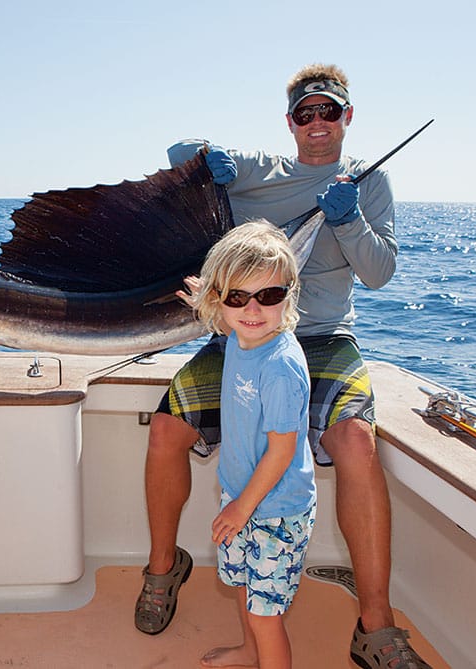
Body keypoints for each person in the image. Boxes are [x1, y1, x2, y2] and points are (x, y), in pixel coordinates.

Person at [135, 64, 432, 669]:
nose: (317, 123)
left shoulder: (370, 184)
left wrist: (348, 220)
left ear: (347, 117)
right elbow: (179, 151)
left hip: (324, 337)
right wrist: (202, 160)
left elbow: (379, 274)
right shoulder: (260, 169)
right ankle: (163, 571)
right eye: (305, 113)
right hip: (241, 334)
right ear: (291, 121)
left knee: (354, 441)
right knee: (166, 427)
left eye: (329, 111)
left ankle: (375, 627)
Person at [191, 220, 315, 669]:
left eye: (269, 296)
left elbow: (282, 452)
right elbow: (231, 320)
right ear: (218, 300)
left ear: (289, 295)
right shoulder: (243, 339)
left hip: (274, 509)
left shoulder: (281, 367)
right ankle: (248, 652)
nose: (253, 308)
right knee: (246, 590)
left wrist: (241, 507)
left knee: (267, 617)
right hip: (241, 496)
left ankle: (262, 652)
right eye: (237, 297)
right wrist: (207, 296)